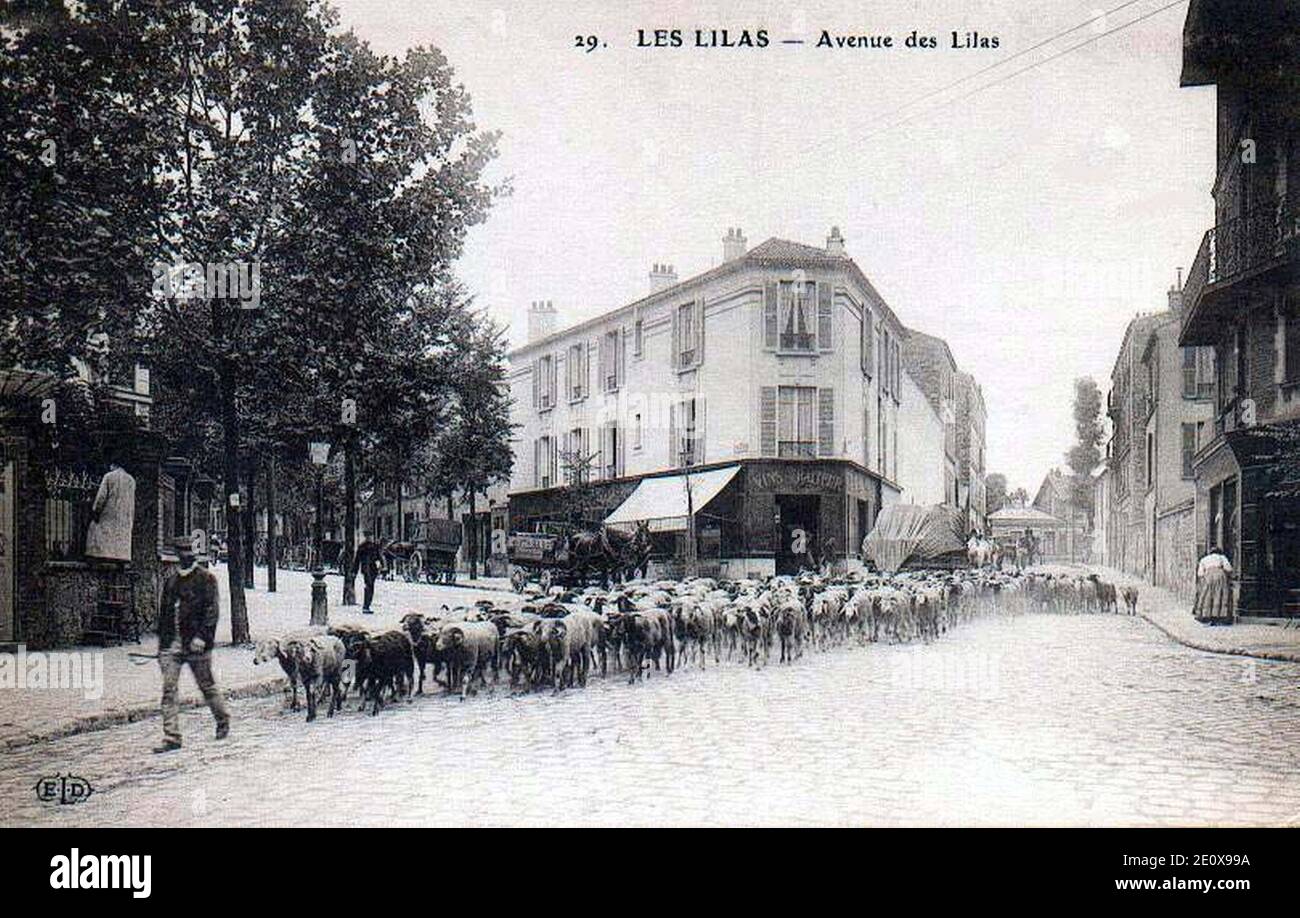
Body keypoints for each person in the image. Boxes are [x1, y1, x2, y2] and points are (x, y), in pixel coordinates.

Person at [154, 536, 230, 753]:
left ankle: (222, 719)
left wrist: (202, 637)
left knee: (207, 686)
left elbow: (212, 612)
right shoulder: (171, 582)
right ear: (178, 555)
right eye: (183, 552)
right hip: (173, 646)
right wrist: (162, 648)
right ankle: (172, 736)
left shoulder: (206, 579)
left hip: (197, 645)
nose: (187, 556)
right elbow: (165, 616)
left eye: (190, 552)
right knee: (169, 690)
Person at [85, 459, 136, 562]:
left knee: (97, 531)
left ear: (113, 465)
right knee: (119, 542)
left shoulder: (109, 477)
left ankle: (99, 557)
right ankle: (120, 559)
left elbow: (101, 499)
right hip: (124, 518)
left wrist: (96, 511)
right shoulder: (131, 480)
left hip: (108, 516)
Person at [1192, 545, 1234, 625]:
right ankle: (1220, 615)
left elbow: (1200, 573)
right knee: (1220, 594)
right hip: (1220, 575)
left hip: (1208, 576)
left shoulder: (1204, 559)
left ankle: (1207, 615)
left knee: (1208, 595)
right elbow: (1229, 568)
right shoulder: (1222, 557)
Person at [354, 530, 384, 613]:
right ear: (366, 537)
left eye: (371, 536)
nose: (370, 538)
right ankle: (366, 606)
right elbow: (357, 560)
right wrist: (355, 570)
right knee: (368, 586)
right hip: (365, 569)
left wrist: (382, 565)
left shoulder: (375, 546)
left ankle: (368, 604)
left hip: (373, 569)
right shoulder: (362, 547)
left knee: (371, 587)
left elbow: (379, 556)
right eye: (368, 537)